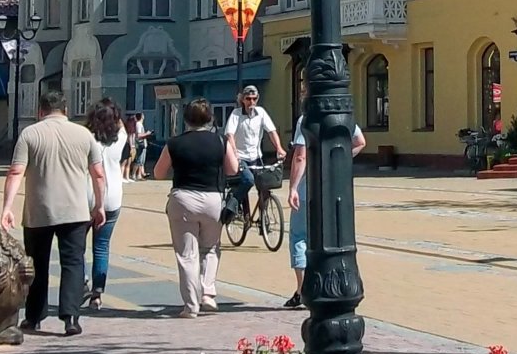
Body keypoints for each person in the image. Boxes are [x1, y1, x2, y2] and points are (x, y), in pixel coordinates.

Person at [0, 85, 105, 336]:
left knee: (36, 264)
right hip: (75, 210)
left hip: (39, 210)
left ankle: (34, 317)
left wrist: (7, 207)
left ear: (40, 111)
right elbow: (98, 174)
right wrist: (99, 205)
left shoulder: (29, 134)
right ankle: (70, 318)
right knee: (73, 262)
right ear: (66, 110)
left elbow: (16, 172)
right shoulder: (83, 135)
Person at [153, 99, 236, 318]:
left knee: (187, 254)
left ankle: (191, 306)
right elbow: (233, 169)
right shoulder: (220, 141)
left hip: (183, 199)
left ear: (186, 119)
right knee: (210, 248)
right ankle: (208, 293)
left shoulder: (175, 143)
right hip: (212, 200)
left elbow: (158, 173)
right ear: (210, 118)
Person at [285, 108, 366, 309]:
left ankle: (302, 289)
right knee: (332, 237)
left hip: (308, 190)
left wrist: (293, 187)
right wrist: (338, 160)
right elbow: (360, 142)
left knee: (300, 236)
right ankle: (335, 285)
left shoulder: (307, 118)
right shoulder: (344, 116)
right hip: (336, 190)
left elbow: (300, 156)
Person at [85, 96, 130, 309]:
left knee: (76, 247)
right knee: (101, 247)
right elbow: (121, 125)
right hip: (112, 197)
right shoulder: (120, 138)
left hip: (86, 196)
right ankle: (97, 294)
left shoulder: (86, 138)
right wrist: (114, 112)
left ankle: (81, 282)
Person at [223, 85, 283, 224]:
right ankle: (233, 204)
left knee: (265, 186)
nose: (251, 102)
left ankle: (263, 218)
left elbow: (272, 132)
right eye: (248, 99)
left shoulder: (261, 112)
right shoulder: (236, 114)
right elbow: (230, 134)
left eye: (254, 99)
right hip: (241, 158)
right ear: (242, 100)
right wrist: (235, 153)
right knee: (248, 180)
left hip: (256, 157)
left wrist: (279, 148)